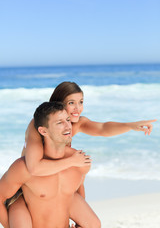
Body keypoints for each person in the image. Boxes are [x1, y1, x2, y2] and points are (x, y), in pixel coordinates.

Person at [8, 81, 156, 227]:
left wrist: (130, 126)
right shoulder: (39, 126)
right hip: (28, 188)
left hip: (55, 183)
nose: (77, 108)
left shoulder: (75, 123)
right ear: (59, 104)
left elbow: (103, 128)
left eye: (81, 102)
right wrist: (72, 161)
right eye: (71, 103)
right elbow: (34, 167)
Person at [0, 102, 100, 228]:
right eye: (59, 123)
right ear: (43, 131)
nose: (68, 126)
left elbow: (78, 190)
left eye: (68, 120)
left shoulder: (79, 163)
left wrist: (80, 224)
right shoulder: (23, 168)